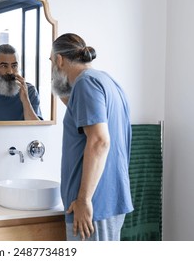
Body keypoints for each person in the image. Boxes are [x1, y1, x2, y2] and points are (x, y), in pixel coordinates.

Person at [50, 33, 133, 241]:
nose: (51, 67)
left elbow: (99, 141)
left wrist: (84, 200)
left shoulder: (86, 85)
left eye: (51, 61)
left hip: (92, 208)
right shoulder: (105, 80)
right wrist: (59, 86)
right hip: (108, 200)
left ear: (59, 60)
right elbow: (84, 116)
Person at [0, 44, 43, 121]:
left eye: (14, 66)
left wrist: (25, 100)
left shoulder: (29, 91)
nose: (10, 71)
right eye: (4, 66)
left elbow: (36, 129)